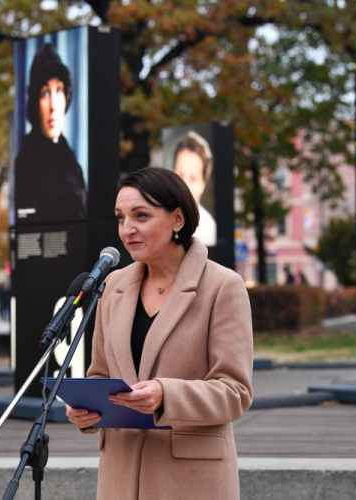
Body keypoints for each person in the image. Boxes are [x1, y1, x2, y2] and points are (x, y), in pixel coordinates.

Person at [65, 167, 253, 499]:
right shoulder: (113, 286)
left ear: (177, 219)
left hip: (190, 481)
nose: (127, 229)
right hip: (120, 479)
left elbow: (235, 392)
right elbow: (101, 375)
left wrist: (166, 394)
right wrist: (85, 412)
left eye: (141, 216)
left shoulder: (223, 287)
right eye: (121, 218)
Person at [14, 43, 86, 224]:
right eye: (45, 92)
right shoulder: (27, 161)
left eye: (59, 90)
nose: (53, 105)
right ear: (35, 101)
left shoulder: (67, 154)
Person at [172, 131, 217, 246]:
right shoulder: (157, 214)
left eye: (192, 179)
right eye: (180, 174)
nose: (184, 184)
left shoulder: (208, 228)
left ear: (203, 184)